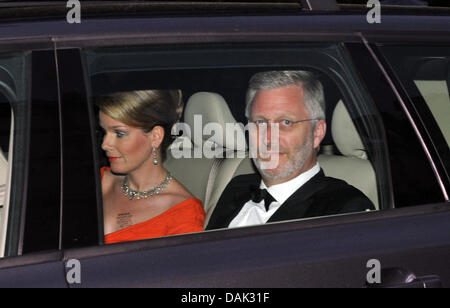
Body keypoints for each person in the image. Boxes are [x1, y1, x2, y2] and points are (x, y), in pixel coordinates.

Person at [206, 71, 375, 230]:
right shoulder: (238, 186)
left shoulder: (344, 210)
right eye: (260, 122)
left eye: (286, 122)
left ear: (317, 132)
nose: (269, 138)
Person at [96, 90, 205, 244]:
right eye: (104, 132)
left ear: (155, 137)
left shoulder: (183, 214)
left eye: (119, 134)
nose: (105, 144)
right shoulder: (100, 181)